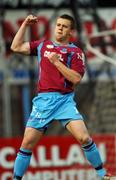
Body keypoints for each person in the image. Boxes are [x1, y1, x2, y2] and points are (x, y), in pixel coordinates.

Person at [11, 14, 113, 180]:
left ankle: (103, 174)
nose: (59, 28)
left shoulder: (76, 52)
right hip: (43, 101)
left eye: (64, 26)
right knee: (26, 144)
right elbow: (15, 47)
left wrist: (57, 63)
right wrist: (25, 25)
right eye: (58, 24)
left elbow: (76, 79)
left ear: (71, 32)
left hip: (64, 101)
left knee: (84, 137)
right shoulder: (43, 46)